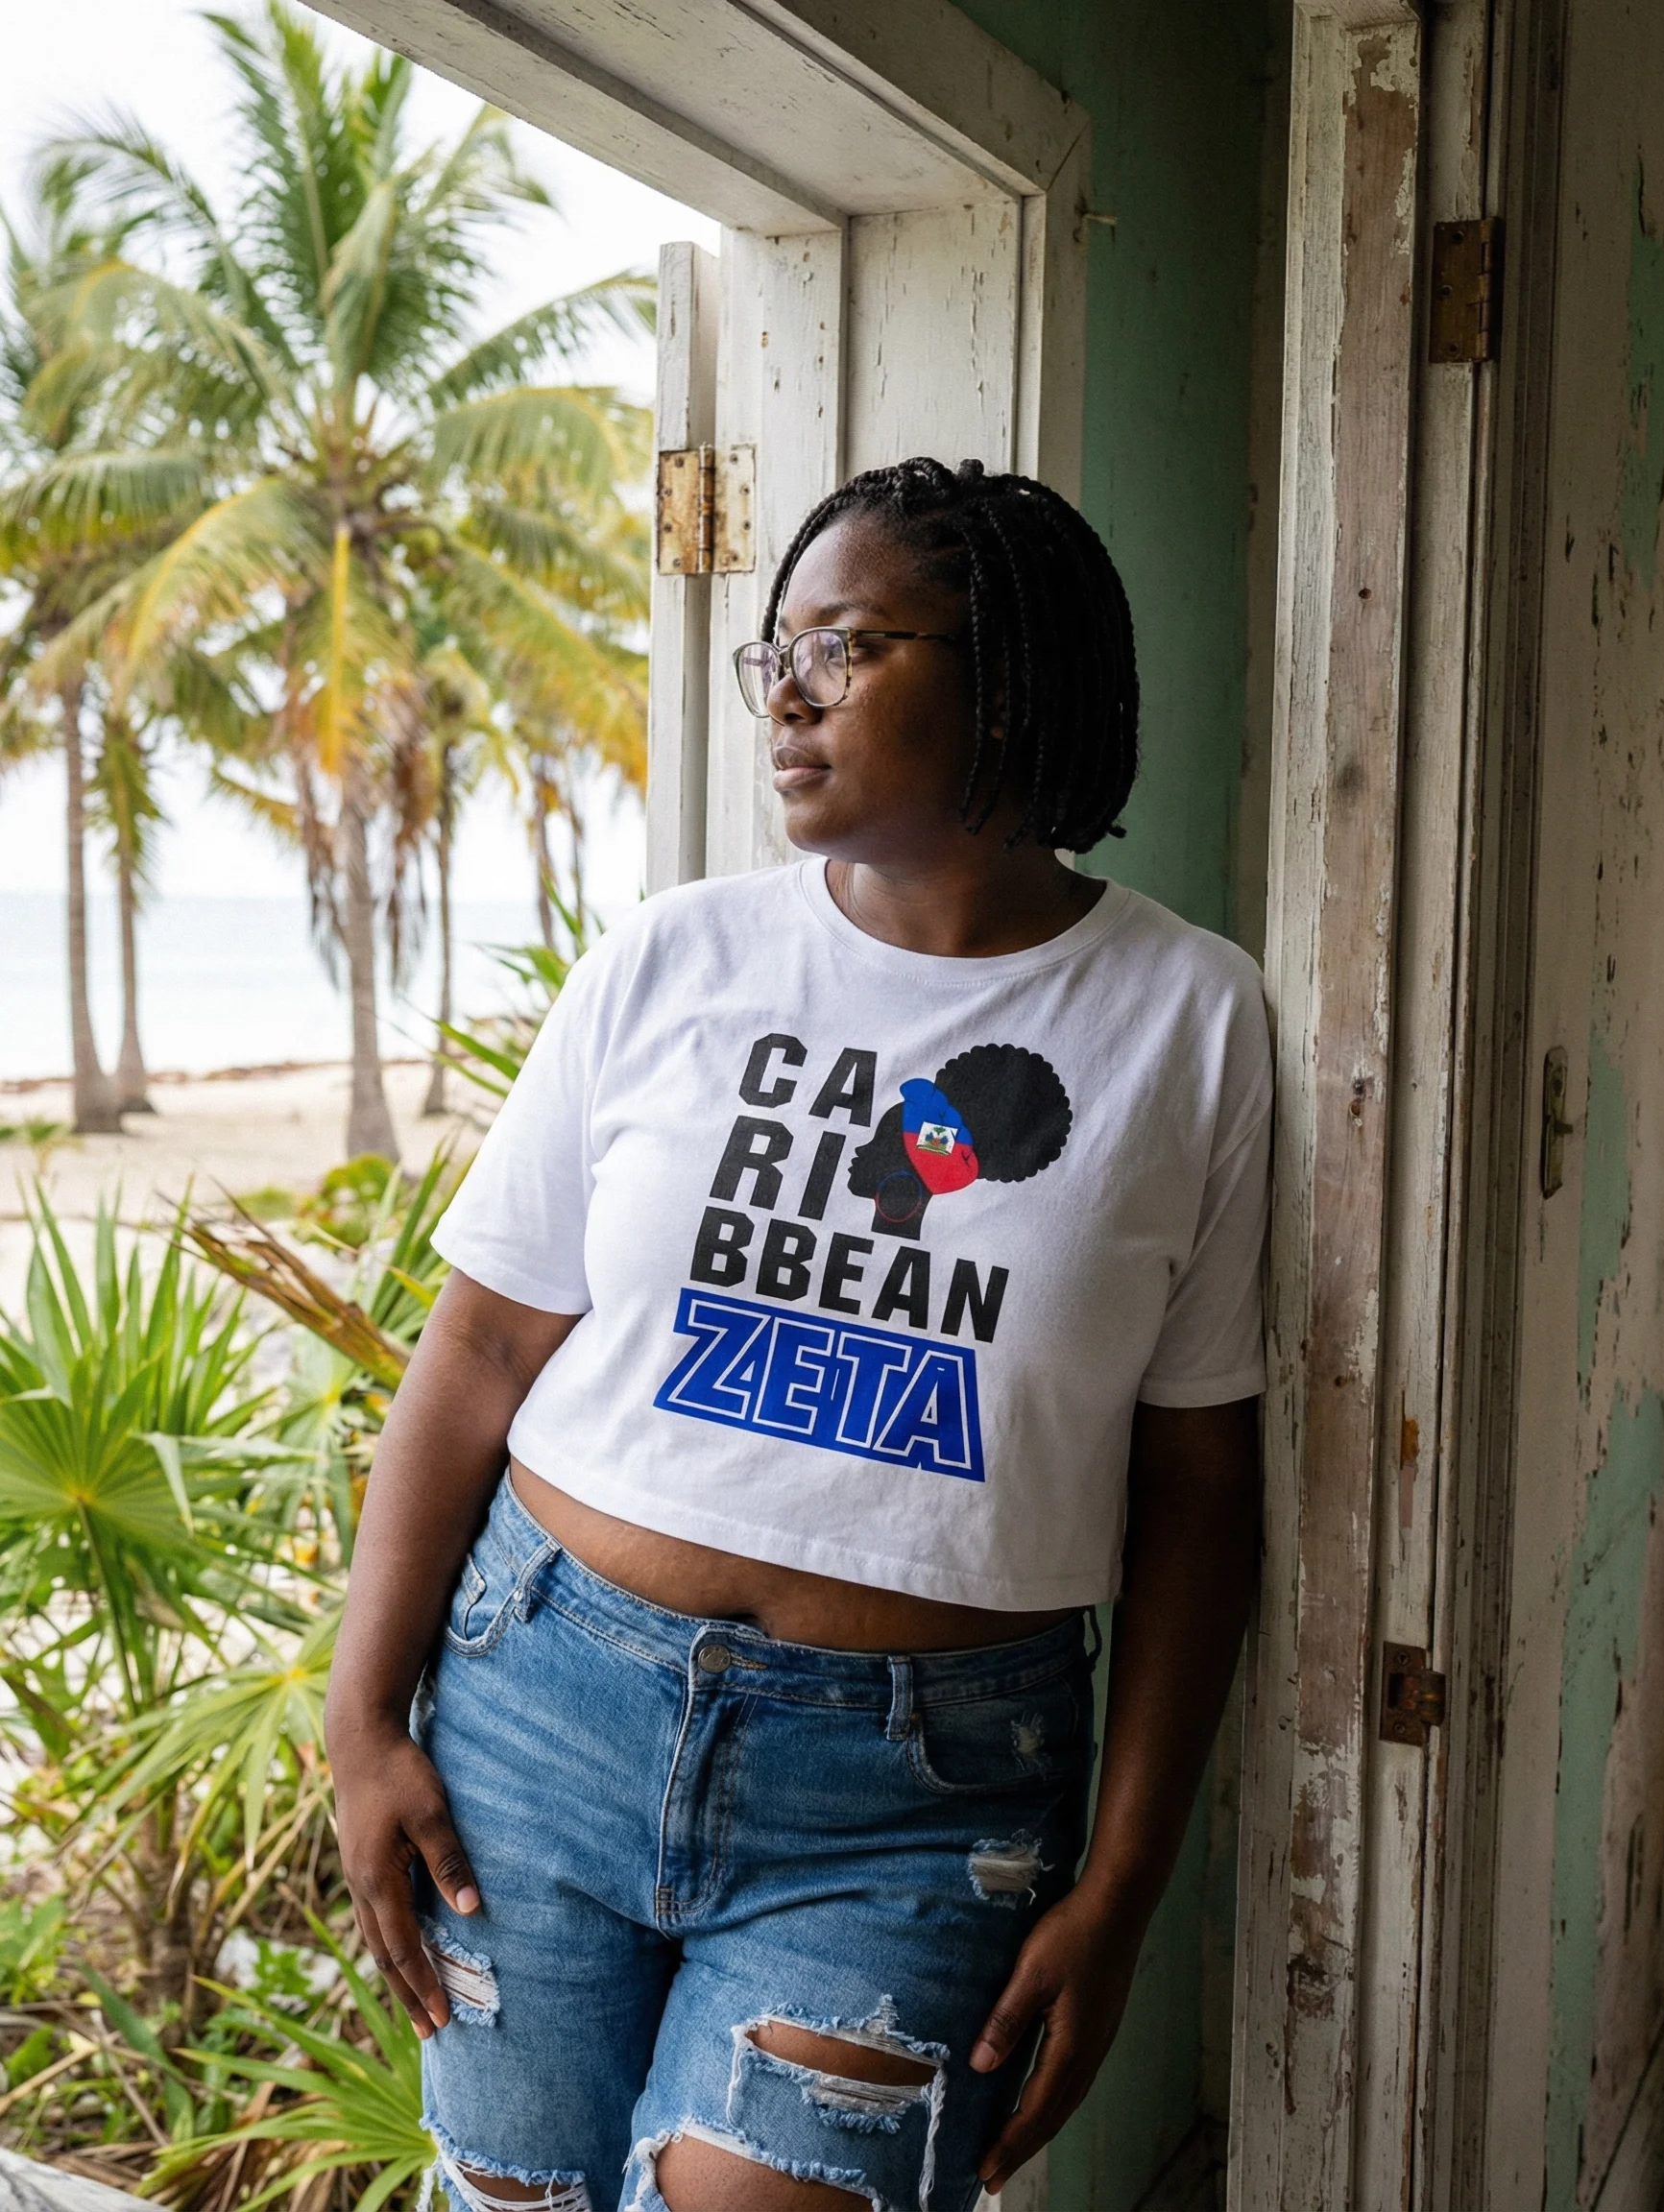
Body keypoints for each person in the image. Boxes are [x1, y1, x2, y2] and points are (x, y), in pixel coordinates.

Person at [325, 456, 1271, 2212]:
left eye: (846, 646)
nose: (790, 696)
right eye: (775, 655)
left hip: (917, 1796)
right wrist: (361, 1718)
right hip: (540, 1715)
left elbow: (1202, 1482)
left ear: (1011, 676)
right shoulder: (670, 960)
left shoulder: (1188, 1019)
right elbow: (475, 1355)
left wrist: (1125, 1886)